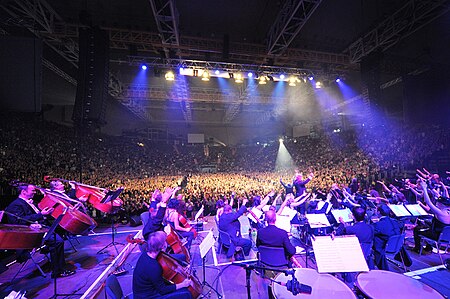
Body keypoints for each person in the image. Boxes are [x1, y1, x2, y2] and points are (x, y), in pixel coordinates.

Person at [5, 184, 76, 278]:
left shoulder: (31, 202)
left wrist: (47, 213)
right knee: (57, 241)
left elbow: (39, 216)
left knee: (61, 231)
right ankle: (58, 271)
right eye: (32, 191)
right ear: (24, 192)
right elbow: (18, 221)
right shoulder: (15, 205)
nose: (35, 192)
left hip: (42, 228)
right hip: (31, 234)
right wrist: (40, 215)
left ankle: (59, 265)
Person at [133, 231, 192, 299]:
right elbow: (163, 290)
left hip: (143, 291)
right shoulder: (153, 267)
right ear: (162, 245)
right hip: (149, 296)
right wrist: (183, 284)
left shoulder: (145, 254)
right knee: (186, 293)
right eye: (165, 241)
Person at [411, 179, 450, 253]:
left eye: (438, 202)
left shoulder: (440, 213)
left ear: (442, 205)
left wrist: (424, 189)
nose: (437, 203)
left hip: (437, 236)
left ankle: (417, 248)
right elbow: (444, 196)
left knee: (417, 229)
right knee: (425, 224)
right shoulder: (448, 212)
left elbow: (428, 202)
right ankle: (428, 248)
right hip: (445, 236)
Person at [372, 204, 411, 270]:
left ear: (378, 212)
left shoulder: (378, 225)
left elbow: (371, 231)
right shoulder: (396, 222)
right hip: (397, 246)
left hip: (385, 247)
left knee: (375, 238)